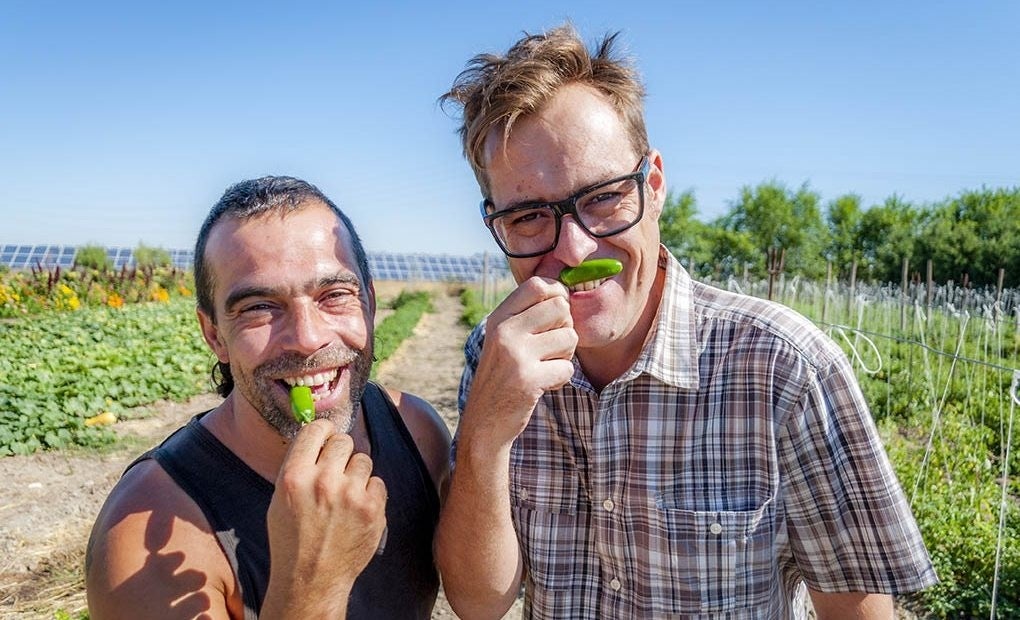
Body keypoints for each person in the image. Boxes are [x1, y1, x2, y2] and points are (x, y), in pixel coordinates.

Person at [434, 24, 937, 619]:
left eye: (603, 198)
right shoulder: (493, 356)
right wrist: (486, 441)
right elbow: (477, 603)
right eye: (528, 217)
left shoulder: (782, 369)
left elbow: (856, 612)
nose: (573, 248)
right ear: (498, 224)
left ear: (653, 185)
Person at [85, 176, 451, 619]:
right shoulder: (141, 534)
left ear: (370, 307)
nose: (307, 338)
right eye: (259, 307)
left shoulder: (416, 431)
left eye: (333, 295)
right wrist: (313, 582)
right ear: (214, 335)